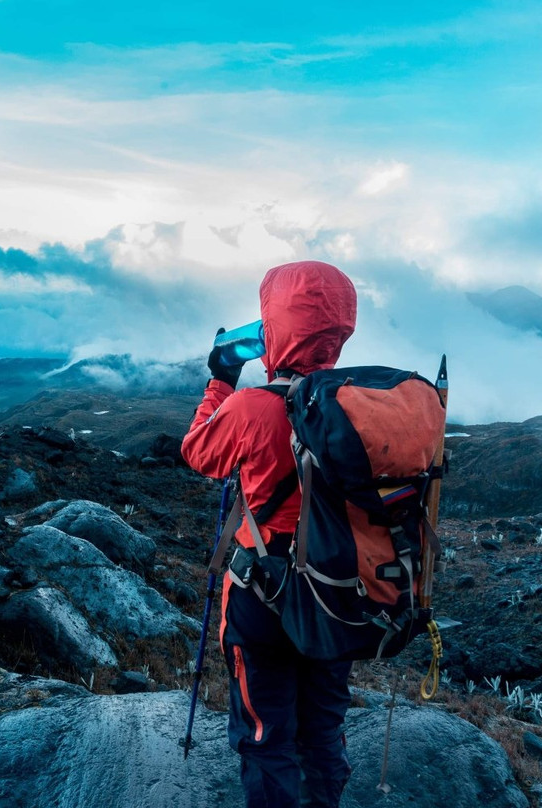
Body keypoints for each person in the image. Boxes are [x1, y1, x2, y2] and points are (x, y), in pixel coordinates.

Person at [181, 260, 358, 808]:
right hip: (337, 589)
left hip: (264, 592)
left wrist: (221, 380)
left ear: (274, 326)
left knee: (266, 734)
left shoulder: (252, 408)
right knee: (322, 730)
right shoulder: (359, 408)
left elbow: (198, 451)